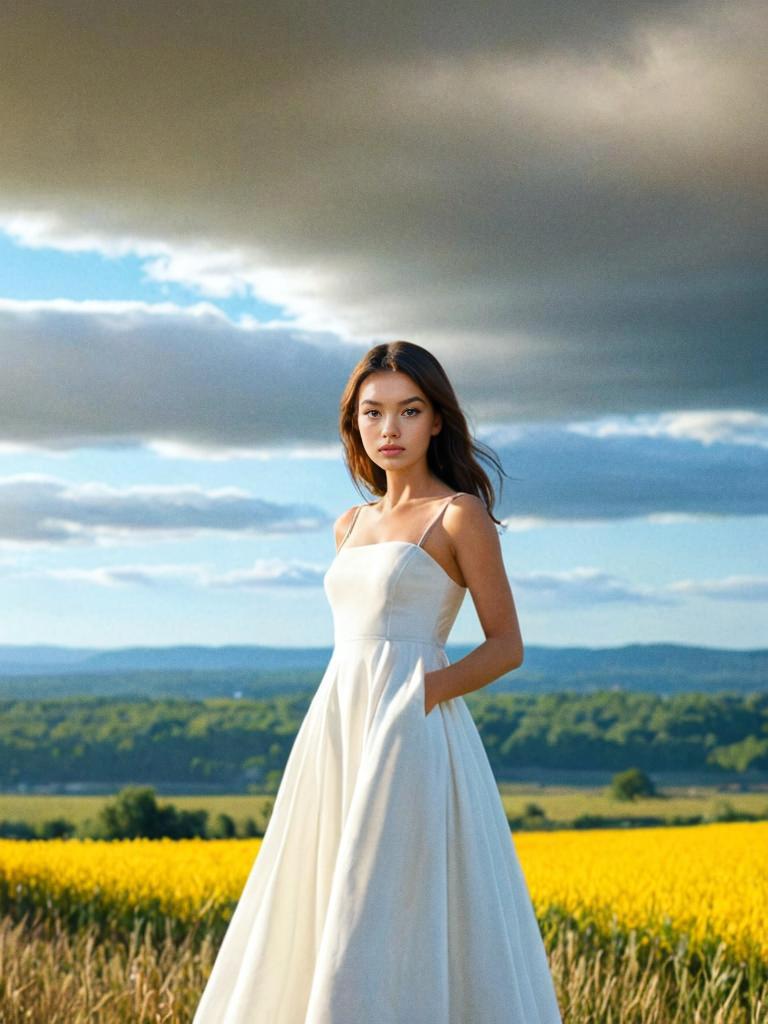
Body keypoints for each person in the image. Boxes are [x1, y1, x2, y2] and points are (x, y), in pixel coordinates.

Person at [193, 340, 562, 1023]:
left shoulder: (459, 515)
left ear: (436, 422)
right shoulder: (350, 524)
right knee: (321, 892)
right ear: (354, 424)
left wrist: (419, 696)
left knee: (387, 903)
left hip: (413, 729)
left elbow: (506, 646)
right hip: (336, 723)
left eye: (409, 411)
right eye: (373, 413)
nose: (389, 429)